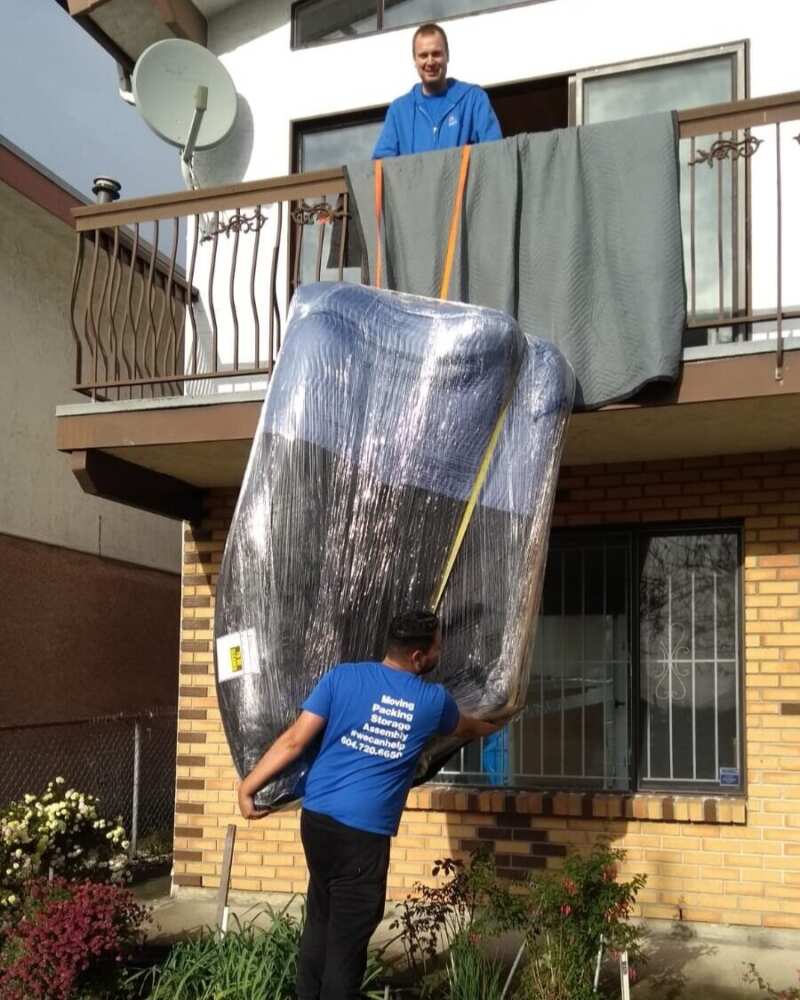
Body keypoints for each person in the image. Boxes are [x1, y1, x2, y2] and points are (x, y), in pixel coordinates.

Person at [238, 608, 501, 1000]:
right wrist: (502, 720)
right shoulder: (432, 701)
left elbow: (294, 740)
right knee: (347, 945)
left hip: (318, 821)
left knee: (321, 921)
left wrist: (248, 788)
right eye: (437, 648)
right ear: (418, 657)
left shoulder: (342, 677)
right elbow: (467, 726)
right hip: (362, 837)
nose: (440, 654)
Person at [372, 22, 502, 159]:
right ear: (415, 61)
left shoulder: (473, 99)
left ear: (447, 56)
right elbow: (381, 165)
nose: (430, 62)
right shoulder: (399, 111)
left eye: (436, 54)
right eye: (423, 55)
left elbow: (494, 153)